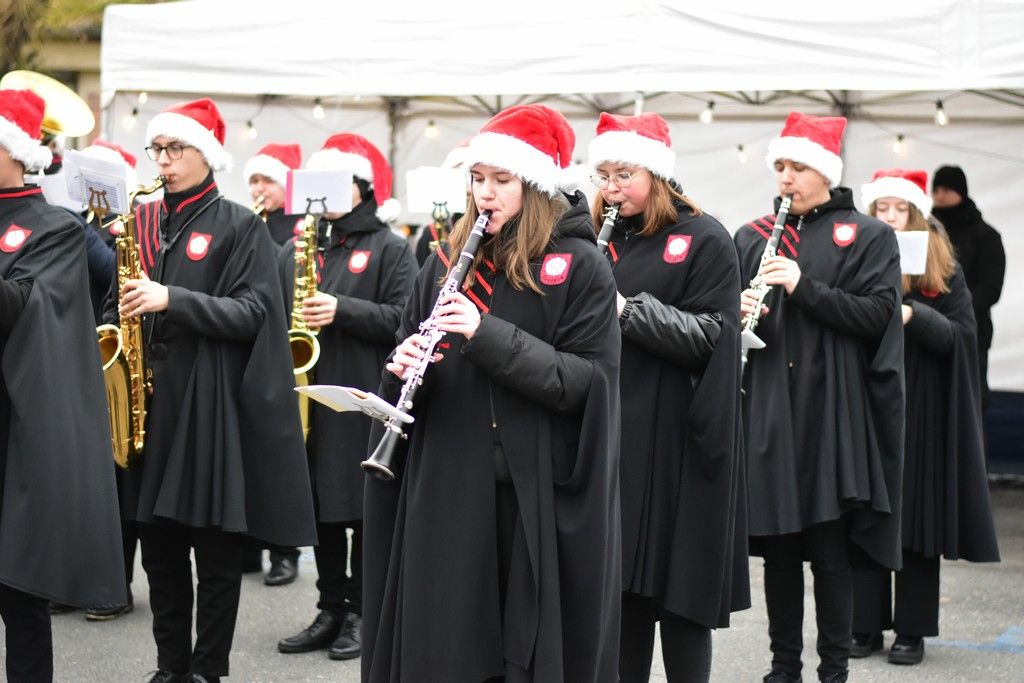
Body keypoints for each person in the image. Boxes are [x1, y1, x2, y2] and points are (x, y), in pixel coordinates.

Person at [362, 103, 621, 682]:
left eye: (502, 180)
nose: (486, 193)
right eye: (477, 179)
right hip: (446, 480)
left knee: (513, 652)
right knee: (447, 647)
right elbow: (409, 346)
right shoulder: (444, 263)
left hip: (525, 491)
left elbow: (584, 382)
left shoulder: (581, 265)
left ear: (535, 184)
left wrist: (484, 332)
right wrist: (399, 370)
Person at [109, 97, 317, 683]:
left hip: (208, 407)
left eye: (178, 149)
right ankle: (169, 667)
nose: (165, 161)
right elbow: (120, 301)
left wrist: (173, 299)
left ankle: (207, 670)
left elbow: (255, 311)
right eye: (159, 149)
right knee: (161, 551)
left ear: (208, 154)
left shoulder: (240, 224)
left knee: (216, 554)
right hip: (150, 404)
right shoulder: (143, 219)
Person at [733, 112, 905, 683]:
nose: (786, 177)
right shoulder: (751, 235)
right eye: (780, 166)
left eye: (798, 167)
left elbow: (877, 316)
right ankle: (784, 667)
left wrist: (803, 286)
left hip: (832, 414)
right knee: (779, 553)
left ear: (826, 172)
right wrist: (737, 312)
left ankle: (834, 669)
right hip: (771, 409)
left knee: (830, 553)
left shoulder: (870, 234)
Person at [587, 112, 748, 683]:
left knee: (681, 603)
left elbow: (714, 337)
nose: (610, 187)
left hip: (678, 444)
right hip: (612, 437)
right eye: (602, 174)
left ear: (656, 174)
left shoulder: (705, 238)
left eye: (624, 173)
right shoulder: (592, 240)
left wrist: (626, 311)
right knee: (619, 596)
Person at [0, 87, 126, 681]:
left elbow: (25, 309)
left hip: (16, 433)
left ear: (16, 152)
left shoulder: (54, 228)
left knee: (18, 595)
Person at [276, 133, 416, 661]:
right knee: (318, 507)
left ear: (359, 187)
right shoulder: (300, 245)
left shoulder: (390, 247)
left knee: (357, 508)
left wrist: (343, 310)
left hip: (360, 395)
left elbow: (406, 319)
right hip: (309, 393)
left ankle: (360, 610)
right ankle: (330, 605)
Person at [851, 168, 1000, 665]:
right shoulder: (854, 258)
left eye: (899, 209)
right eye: (881, 209)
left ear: (916, 214)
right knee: (867, 513)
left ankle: (911, 630)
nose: (890, 218)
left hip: (922, 409)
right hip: (868, 405)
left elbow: (962, 334)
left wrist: (914, 314)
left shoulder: (942, 265)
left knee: (915, 521)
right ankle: (864, 625)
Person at [930, 165, 1005, 412]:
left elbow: (991, 288)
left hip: (970, 330)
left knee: (968, 400)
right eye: (936, 189)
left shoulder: (985, 236)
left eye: (947, 189)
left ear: (960, 191)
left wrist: (954, 310)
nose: (940, 195)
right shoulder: (926, 233)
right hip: (926, 328)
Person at [244, 142, 304, 246]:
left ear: (285, 185)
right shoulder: (247, 219)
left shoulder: (303, 220)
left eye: (268, 181)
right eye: (254, 181)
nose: (259, 188)